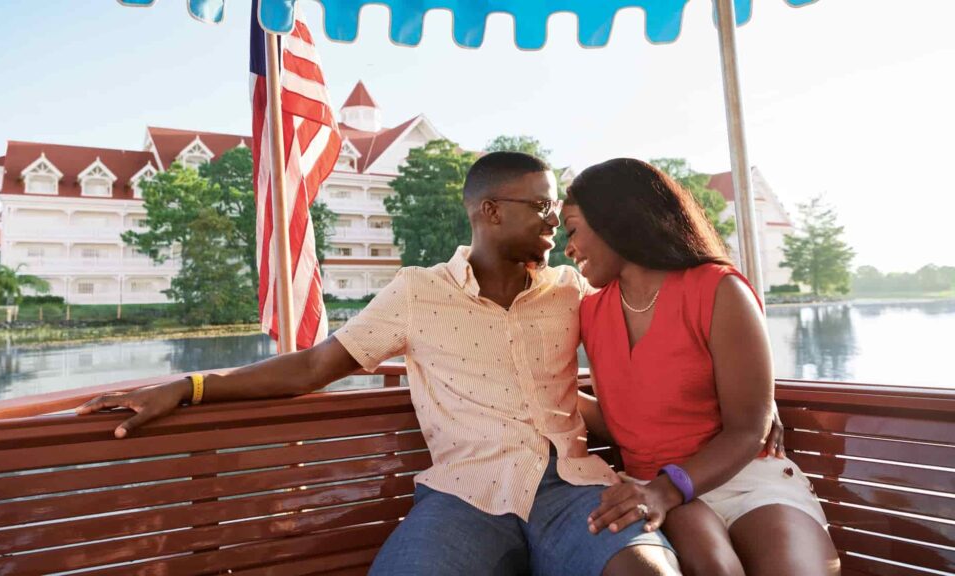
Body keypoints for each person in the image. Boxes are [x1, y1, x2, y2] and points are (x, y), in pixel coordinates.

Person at [78, 152, 680, 576]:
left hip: (573, 491)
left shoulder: (572, 291)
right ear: (491, 211)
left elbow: (659, 344)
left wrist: (725, 414)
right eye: (544, 207)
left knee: (647, 571)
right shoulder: (416, 292)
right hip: (465, 497)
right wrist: (190, 386)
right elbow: (314, 367)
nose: (558, 222)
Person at [561, 158, 840, 576]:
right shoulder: (589, 313)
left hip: (748, 478)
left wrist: (764, 408)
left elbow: (748, 429)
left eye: (573, 230)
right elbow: (626, 423)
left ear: (613, 220)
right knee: (716, 569)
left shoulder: (718, 289)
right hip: (660, 488)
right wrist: (553, 396)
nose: (567, 248)